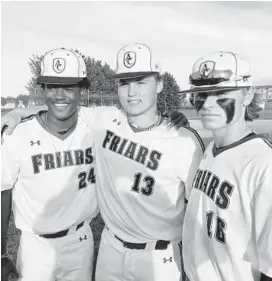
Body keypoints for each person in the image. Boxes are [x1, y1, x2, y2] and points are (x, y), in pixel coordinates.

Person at [2, 43, 202, 281]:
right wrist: (15, 114)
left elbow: (198, 213)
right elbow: (57, 107)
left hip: (153, 255)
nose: (131, 92)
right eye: (124, 83)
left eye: (141, 82)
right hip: (102, 248)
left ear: (158, 85)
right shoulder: (104, 119)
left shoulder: (181, 139)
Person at [1, 47, 98, 281]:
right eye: (52, 87)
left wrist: (172, 118)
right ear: (43, 90)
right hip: (35, 246)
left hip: (81, 241)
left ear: (81, 91)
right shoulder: (16, 134)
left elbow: (139, 119)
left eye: (68, 87)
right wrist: (1, 252)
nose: (60, 95)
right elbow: (2, 191)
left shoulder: (96, 125)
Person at [179, 51, 272, 281]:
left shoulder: (263, 163)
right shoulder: (210, 151)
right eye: (201, 93)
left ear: (248, 95)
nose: (207, 103)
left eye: (220, 92)